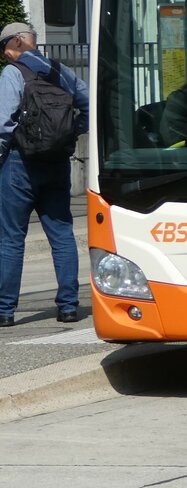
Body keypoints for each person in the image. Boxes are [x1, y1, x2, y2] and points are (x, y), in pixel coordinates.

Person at [0, 22, 89, 326]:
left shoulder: (13, 73)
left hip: (19, 163)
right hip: (57, 163)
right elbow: (88, 104)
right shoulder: (60, 71)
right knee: (62, 233)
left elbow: (3, 124)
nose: (7, 56)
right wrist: (72, 133)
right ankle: (68, 306)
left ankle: (5, 311)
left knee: (11, 238)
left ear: (18, 41)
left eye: (7, 50)